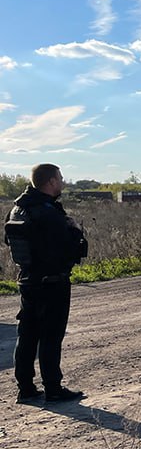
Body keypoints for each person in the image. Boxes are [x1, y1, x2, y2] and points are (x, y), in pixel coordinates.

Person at [4, 164, 87, 403]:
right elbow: (68, 249)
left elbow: (8, 240)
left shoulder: (17, 209)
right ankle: (53, 388)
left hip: (27, 281)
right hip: (52, 282)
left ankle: (26, 388)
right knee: (51, 336)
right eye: (60, 178)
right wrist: (75, 231)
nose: (62, 182)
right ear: (50, 182)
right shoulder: (49, 212)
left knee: (27, 334)